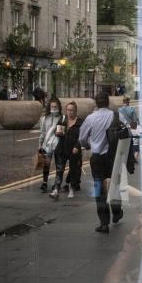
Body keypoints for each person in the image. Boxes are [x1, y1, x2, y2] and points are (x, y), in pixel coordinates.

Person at [79, 92, 118, 233]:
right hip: (113, 156)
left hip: (97, 158)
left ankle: (104, 223)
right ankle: (117, 211)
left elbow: (82, 138)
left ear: (96, 103)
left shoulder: (90, 118)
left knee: (99, 189)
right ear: (107, 102)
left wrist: (88, 145)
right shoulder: (115, 115)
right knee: (114, 185)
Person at [50, 100, 82, 200]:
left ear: (76, 111)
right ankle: (56, 190)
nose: (70, 112)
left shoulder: (80, 122)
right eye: (68, 110)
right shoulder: (62, 119)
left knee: (73, 170)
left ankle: (72, 189)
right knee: (59, 170)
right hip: (61, 148)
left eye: (72, 110)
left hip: (74, 150)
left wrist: (77, 146)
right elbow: (57, 132)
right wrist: (57, 133)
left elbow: (83, 137)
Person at [37, 97, 62, 193]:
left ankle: (56, 184)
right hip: (47, 145)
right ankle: (44, 183)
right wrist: (40, 145)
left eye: (56, 106)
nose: (54, 108)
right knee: (46, 164)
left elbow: (63, 132)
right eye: (52, 106)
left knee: (58, 165)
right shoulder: (44, 119)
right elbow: (42, 132)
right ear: (49, 107)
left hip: (58, 145)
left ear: (59, 107)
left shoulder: (62, 117)